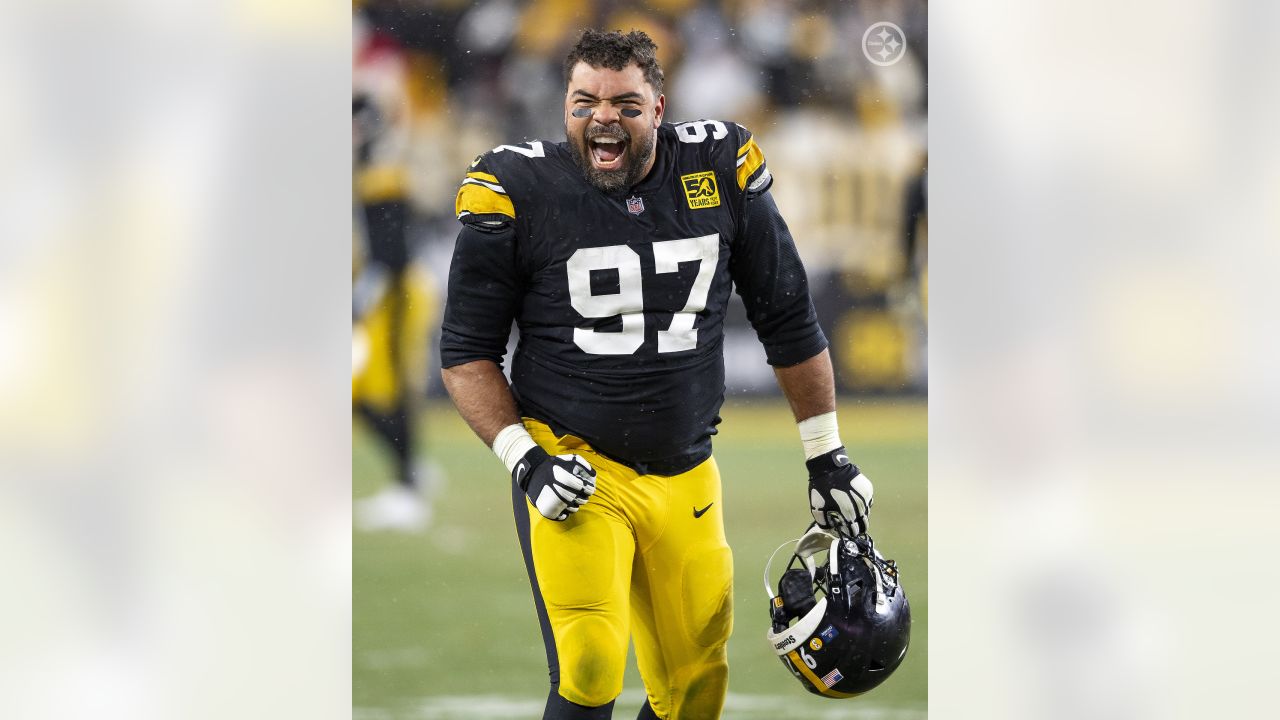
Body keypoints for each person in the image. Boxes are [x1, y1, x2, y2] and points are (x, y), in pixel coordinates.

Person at [440, 29, 874, 720]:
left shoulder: (718, 166)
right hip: (574, 461)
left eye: (624, 104)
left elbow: (788, 318)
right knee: (589, 662)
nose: (603, 118)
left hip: (686, 469)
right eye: (584, 101)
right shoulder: (518, 188)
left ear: (660, 108)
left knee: (696, 687)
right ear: (563, 107)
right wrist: (527, 462)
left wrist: (827, 455)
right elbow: (466, 352)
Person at [352, 15, 439, 532]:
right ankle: (411, 474)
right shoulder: (366, 168)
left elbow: (391, 254)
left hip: (395, 293)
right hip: (381, 291)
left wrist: (358, 300)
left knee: (388, 390)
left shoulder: (382, 171)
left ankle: (409, 486)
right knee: (358, 392)